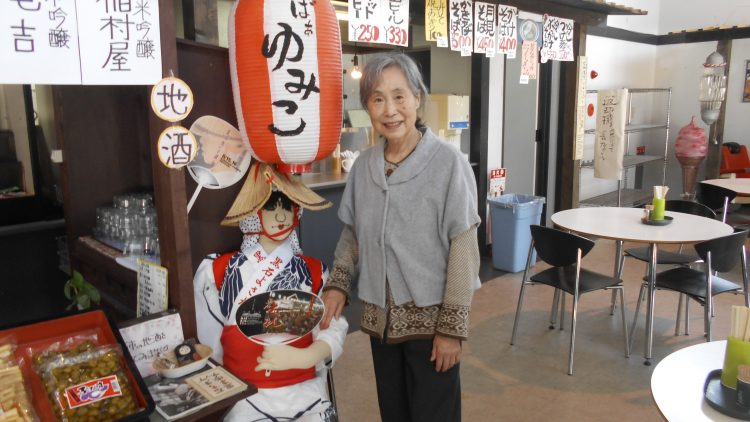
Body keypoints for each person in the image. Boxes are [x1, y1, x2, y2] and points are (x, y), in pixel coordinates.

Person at [320, 52, 481, 421]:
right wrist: (338, 284)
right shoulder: (364, 166)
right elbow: (353, 234)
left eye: (399, 96)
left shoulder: (449, 163)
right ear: (367, 107)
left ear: (417, 98)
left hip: (433, 327)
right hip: (380, 323)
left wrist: (452, 330)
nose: (390, 110)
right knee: (393, 412)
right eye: (378, 99)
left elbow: (464, 247)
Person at [194, 162, 348, 421]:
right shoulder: (218, 272)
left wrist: (308, 356)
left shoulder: (313, 271)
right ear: (253, 213)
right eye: (271, 208)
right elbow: (208, 342)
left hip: (304, 390)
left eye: (287, 208)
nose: (281, 217)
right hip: (244, 395)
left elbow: (332, 326)